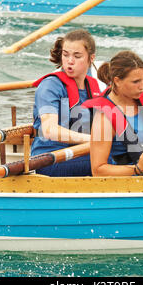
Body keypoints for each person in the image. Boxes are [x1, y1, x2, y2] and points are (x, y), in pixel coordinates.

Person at [30, 29, 104, 176]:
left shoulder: (94, 87)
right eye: (65, 55)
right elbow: (50, 130)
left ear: (91, 58)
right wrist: (94, 140)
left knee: (129, 153)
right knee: (114, 161)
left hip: (80, 154)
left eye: (77, 56)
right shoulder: (50, 86)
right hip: (49, 160)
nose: (70, 61)